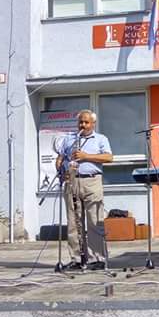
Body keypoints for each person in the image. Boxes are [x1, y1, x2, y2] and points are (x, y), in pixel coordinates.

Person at [55, 109, 113, 270]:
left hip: (92, 181)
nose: (83, 125)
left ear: (93, 124)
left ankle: (97, 259)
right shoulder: (69, 139)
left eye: (86, 122)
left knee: (94, 221)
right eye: (80, 122)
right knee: (74, 222)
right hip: (72, 181)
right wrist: (60, 167)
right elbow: (61, 157)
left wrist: (86, 156)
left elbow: (109, 157)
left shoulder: (100, 139)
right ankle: (77, 259)